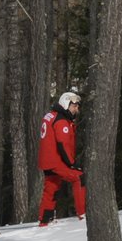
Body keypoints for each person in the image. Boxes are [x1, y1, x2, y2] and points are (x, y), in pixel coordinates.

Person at [37, 90, 86, 227]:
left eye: (77, 106)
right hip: (55, 161)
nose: (76, 109)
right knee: (79, 177)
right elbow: (63, 144)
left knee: (51, 188)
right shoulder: (61, 121)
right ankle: (83, 214)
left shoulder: (51, 116)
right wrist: (72, 163)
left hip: (46, 160)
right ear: (65, 104)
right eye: (74, 105)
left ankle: (45, 220)